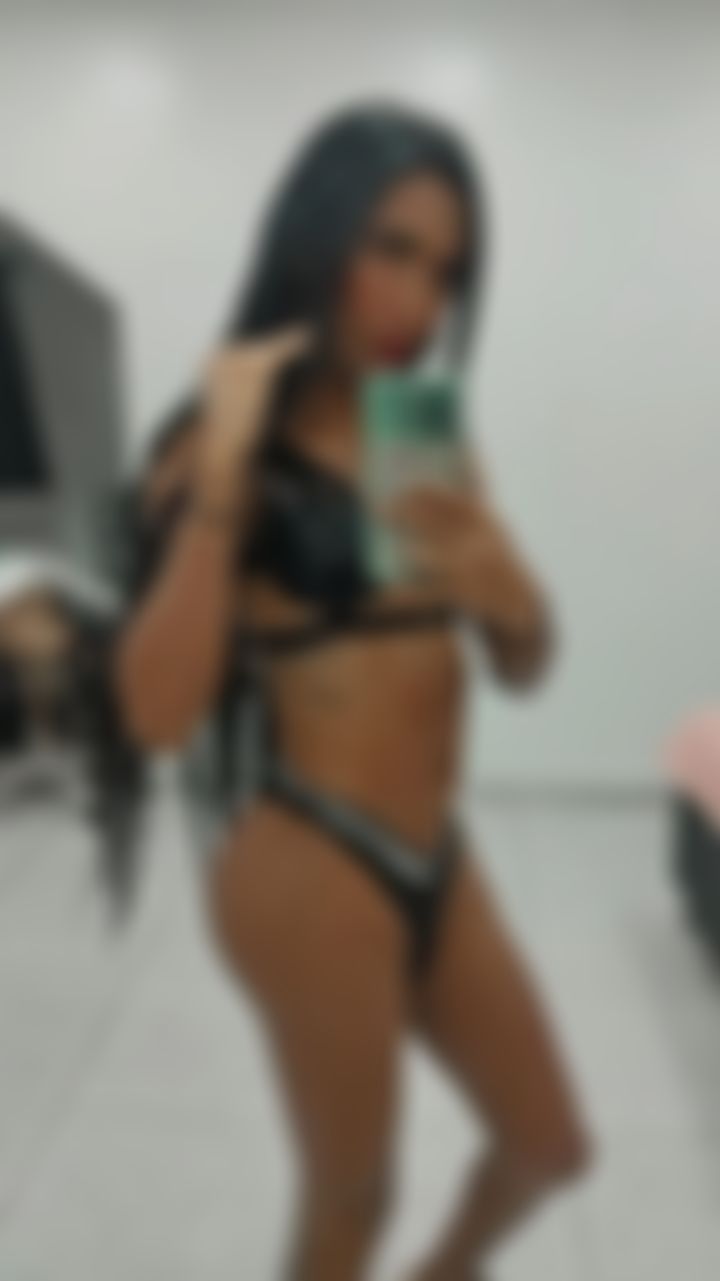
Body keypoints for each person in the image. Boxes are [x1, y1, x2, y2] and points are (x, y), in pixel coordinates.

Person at [114, 100, 594, 1281]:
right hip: (311, 859)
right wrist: (225, 480)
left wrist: (514, 598)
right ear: (317, 235)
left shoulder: (418, 436)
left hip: (439, 852)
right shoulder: (218, 449)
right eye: (393, 250)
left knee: (549, 1146)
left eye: (447, 273)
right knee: (352, 1198)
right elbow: (155, 717)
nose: (419, 304)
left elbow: (522, 668)